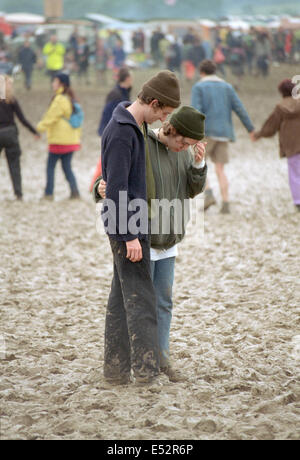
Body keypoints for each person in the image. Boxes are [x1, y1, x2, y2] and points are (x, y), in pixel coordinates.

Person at [94, 106, 207, 382]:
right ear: (172, 130)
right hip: (141, 240)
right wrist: (98, 186)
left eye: (192, 145)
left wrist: (198, 165)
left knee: (163, 301)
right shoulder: (139, 142)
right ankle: (139, 362)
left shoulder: (186, 154)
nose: (185, 148)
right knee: (138, 305)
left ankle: (161, 358)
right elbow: (110, 178)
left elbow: (192, 189)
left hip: (170, 241)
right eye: (184, 142)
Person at [97, 70, 181, 385]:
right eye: (164, 112)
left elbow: (116, 184)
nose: (164, 120)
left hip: (129, 223)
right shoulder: (122, 132)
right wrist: (129, 235)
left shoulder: (134, 125)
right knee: (141, 300)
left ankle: (116, 372)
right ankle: (147, 374)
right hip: (127, 228)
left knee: (120, 300)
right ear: (154, 102)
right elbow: (117, 188)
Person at [191, 59, 255, 214]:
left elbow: (196, 111)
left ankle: (208, 193)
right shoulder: (227, 87)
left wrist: (191, 133)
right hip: (224, 133)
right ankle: (226, 203)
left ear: (202, 73)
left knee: (199, 162)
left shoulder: (199, 87)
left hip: (206, 132)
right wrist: (250, 129)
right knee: (220, 169)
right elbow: (239, 108)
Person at [253, 79, 300, 212]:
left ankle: (298, 201)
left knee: (295, 173)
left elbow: (271, 126)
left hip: (291, 145)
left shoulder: (281, 107)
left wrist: (259, 134)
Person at [37, 73, 81, 200]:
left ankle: (49, 193)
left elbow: (51, 117)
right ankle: (75, 192)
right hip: (71, 139)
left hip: (59, 139)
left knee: (50, 166)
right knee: (67, 167)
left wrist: (39, 127)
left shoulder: (60, 99)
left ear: (61, 83)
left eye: (55, 81)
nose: (53, 84)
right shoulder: (70, 98)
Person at [89, 67, 133, 192]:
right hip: (111, 130)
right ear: (127, 79)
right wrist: (106, 131)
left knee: (106, 159)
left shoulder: (124, 92)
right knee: (104, 159)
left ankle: (96, 184)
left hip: (117, 130)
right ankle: (94, 185)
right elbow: (108, 114)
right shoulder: (116, 94)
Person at [0, 75, 39, 200]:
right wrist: (34, 131)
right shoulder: (11, 100)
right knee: (14, 165)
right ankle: (18, 193)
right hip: (10, 133)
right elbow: (22, 119)